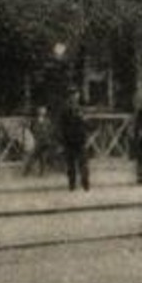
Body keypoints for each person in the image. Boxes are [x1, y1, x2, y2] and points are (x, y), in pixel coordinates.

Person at [43, 43, 89, 192]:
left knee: (82, 163)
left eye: (76, 95)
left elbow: (84, 124)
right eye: (73, 96)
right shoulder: (66, 110)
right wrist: (63, 139)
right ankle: (72, 184)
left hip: (80, 140)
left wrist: (85, 132)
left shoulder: (80, 109)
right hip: (70, 140)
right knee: (71, 164)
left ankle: (85, 184)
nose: (75, 98)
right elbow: (63, 125)